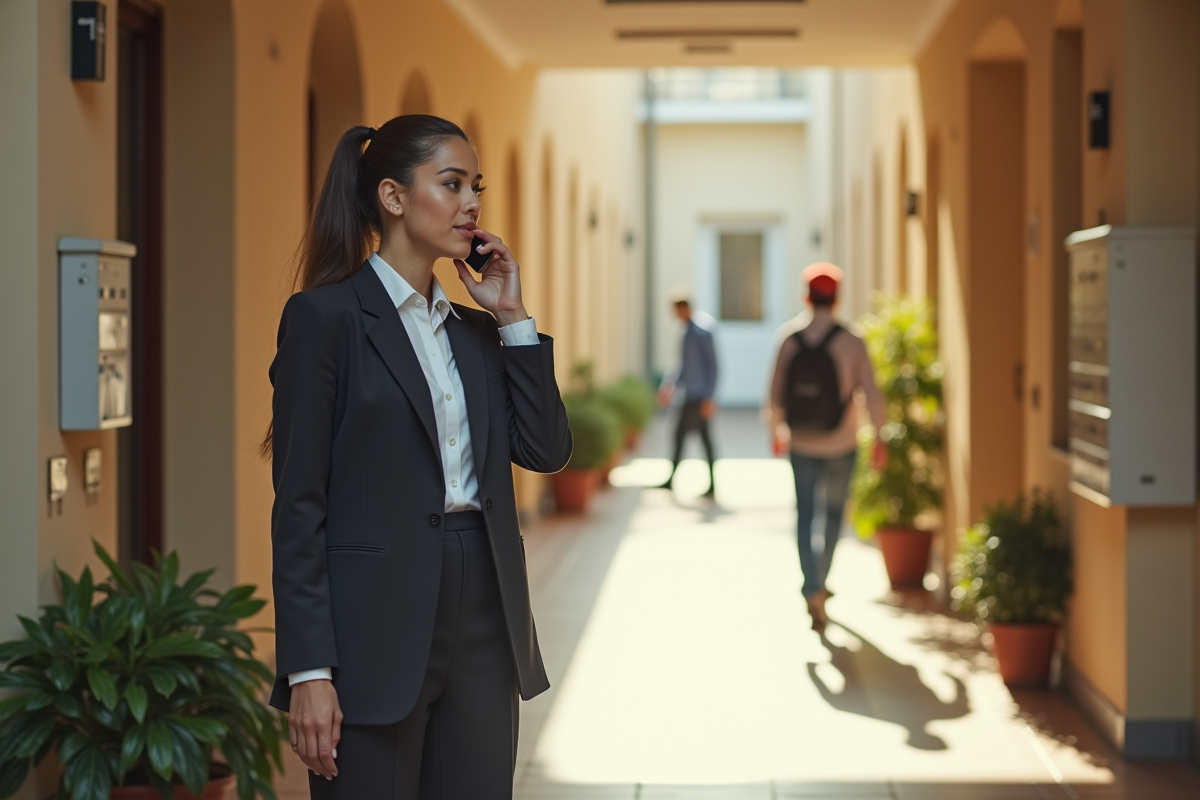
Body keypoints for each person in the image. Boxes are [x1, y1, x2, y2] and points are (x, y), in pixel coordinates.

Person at [265, 114, 572, 800]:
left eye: (477, 188)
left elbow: (546, 451)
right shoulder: (325, 321)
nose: (472, 204)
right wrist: (309, 669)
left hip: (484, 611)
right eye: (452, 183)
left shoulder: (474, 332)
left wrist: (513, 320)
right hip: (370, 625)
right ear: (393, 197)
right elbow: (299, 507)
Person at [766, 263, 886, 627]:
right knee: (834, 514)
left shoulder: (789, 338)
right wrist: (879, 435)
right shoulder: (852, 339)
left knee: (805, 514)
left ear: (806, 295)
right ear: (837, 297)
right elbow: (872, 393)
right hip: (842, 442)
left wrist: (776, 431)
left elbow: (774, 393)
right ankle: (821, 582)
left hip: (801, 442)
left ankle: (811, 586)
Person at [656, 290, 719, 498]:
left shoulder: (702, 331)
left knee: (702, 439)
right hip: (689, 394)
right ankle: (675, 479)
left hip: (699, 396)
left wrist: (709, 397)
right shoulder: (685, 331)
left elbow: (713, 366)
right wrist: (669, 384)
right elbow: (682, 365)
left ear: (685, 308)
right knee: (684, 437)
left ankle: (711, 484)